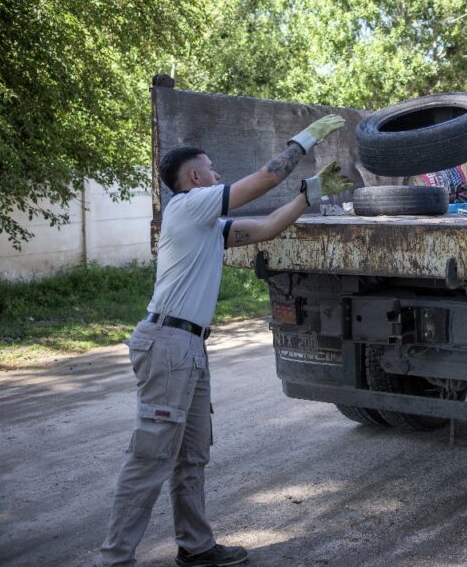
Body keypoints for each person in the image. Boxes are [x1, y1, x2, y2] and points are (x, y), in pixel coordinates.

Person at [97, 114, 353, 567]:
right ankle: (114, 559)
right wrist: (305, 140)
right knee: (150, 458)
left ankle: (195, 547)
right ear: (195, 178)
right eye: (213, 170)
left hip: (188, 347)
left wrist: (308, 193)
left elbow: (268, 227)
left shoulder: (207, 225)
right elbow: (262, 179)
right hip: (168, 344)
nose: (219, 176)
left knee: (192, 456)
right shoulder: (188, 205)